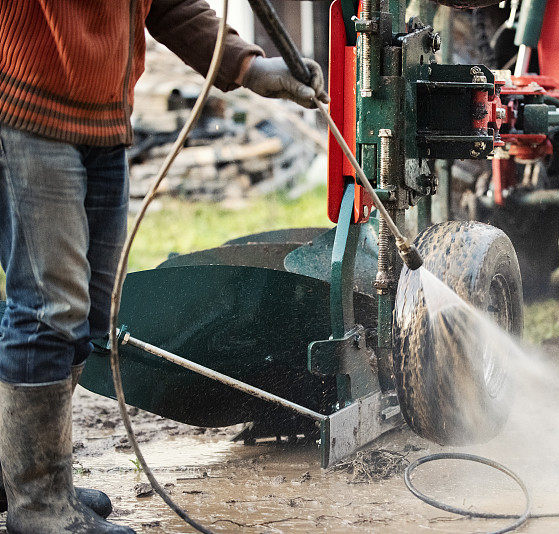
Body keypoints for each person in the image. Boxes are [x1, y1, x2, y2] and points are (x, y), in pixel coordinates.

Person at [0, 2, 328, 533]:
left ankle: (32, 478)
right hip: (26, 109)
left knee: (88, 309)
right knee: (48, 309)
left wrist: (249, 67)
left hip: (103, 120)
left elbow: (168, 5)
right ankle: (37, 504)